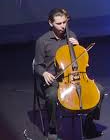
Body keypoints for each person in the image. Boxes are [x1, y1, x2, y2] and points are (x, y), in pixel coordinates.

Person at [34, 8, 105, 139]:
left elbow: (79, 60)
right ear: (51, 23)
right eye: (59, 23)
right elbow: (37, 65)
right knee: (51, 96)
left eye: (64, 22)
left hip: (73, 78)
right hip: (54, 81)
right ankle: (53, 128)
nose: (63, 26)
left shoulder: (71, 35)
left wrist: (78, 47)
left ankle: (88, 124)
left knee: (99, 90)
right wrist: (44, 73)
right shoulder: (42, 41)